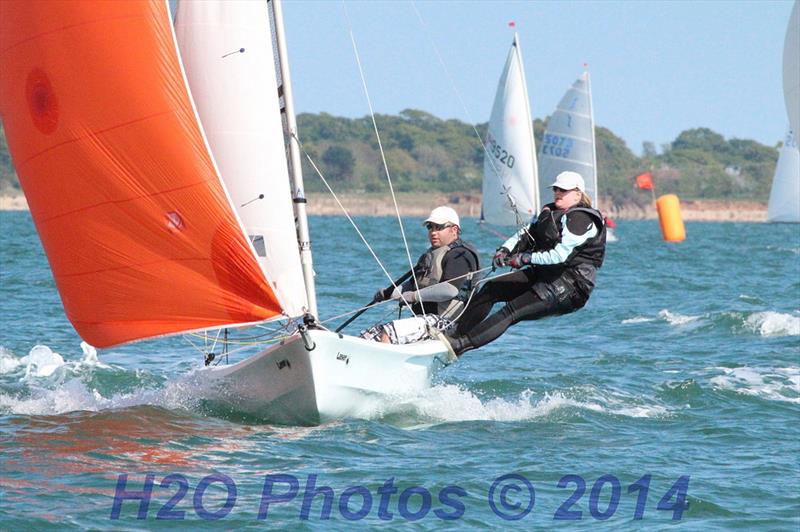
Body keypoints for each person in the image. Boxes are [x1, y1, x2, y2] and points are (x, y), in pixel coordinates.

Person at [442, 171, 606, 357]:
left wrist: (524, 259)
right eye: (556, 189)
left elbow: (559, 256)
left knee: (511, 311)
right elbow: (525, 234)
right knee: (491, 288)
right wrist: (505, 251)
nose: (558, 192)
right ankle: (454, 332)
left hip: (570, 286)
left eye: (564, 190)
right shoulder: (550, 212)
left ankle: (458, 346)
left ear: (578, 194)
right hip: (544, 276)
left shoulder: (582, 219)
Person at [363, 206, 480, 345]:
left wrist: (414, 296)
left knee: (389, 333)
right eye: (430, 227)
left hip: (446, 323)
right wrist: (388, 294)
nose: (433, 232)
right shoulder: (430, 256)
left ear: (454, 230)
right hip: (423, 319)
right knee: (368, 336)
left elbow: (450, 290)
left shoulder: (460, 255)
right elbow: (411, 285)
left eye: (439, 227)